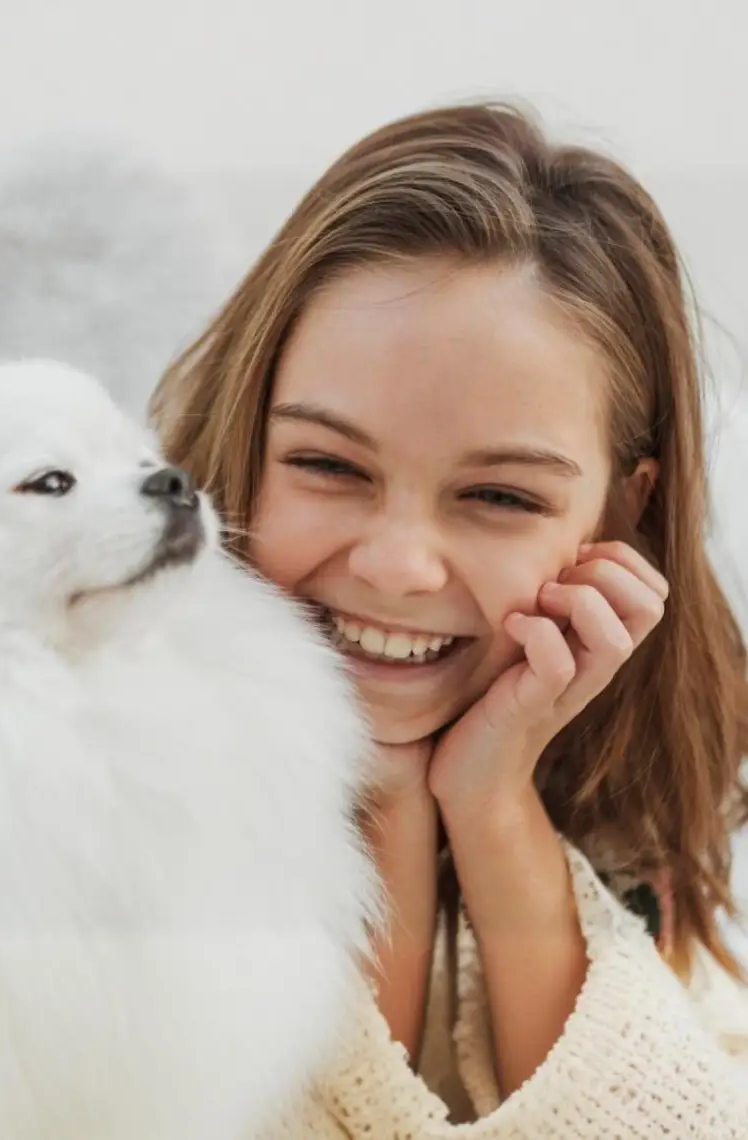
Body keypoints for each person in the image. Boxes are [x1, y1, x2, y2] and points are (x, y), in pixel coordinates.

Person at [151, 103, 748, 1137]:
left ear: (619, 510)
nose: (393, 565)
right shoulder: (100, 762)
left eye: (500, 497)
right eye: (328, 465)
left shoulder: (630, 774)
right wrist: (382, 801)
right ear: (243, 441)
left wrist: (491, 800)